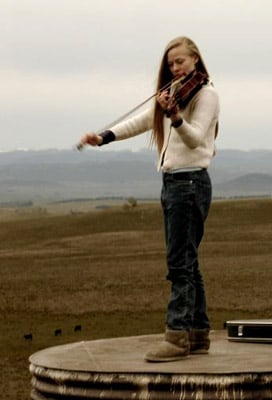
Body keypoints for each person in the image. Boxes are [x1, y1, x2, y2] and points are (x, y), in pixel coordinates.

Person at [78, 36, 219, 362]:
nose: (175, 68)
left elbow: (196, 138)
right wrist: (104, 137)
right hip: (174, 183)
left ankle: (176, 337)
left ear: (195, 59)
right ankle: (198, 334)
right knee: (189, 262)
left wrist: (177, 118)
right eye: (171, 64)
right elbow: (143, 121)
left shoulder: (207, 94)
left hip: (190, 182)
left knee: (179, 265)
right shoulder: (173, 94)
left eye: (180, 61)